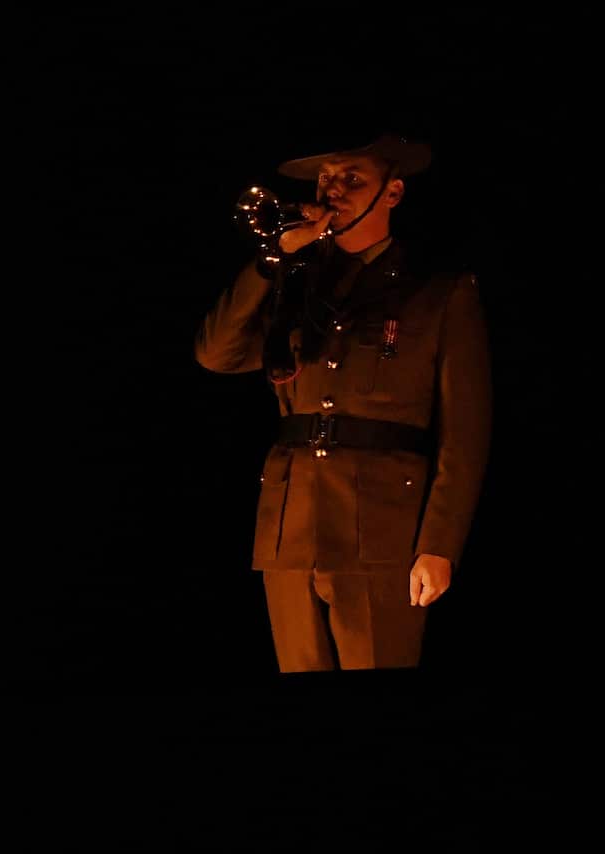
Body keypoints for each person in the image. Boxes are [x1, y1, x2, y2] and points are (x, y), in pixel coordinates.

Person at [194, 131, 492, 672]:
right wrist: (274, 258)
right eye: (327, 178)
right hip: (290, 528)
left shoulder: (438, 293)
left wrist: (440, 544)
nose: (334, 190)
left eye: (353, 178)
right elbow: (216, 354)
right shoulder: (295, 285)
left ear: (393, 192)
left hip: (382, 530)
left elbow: (465, 433)